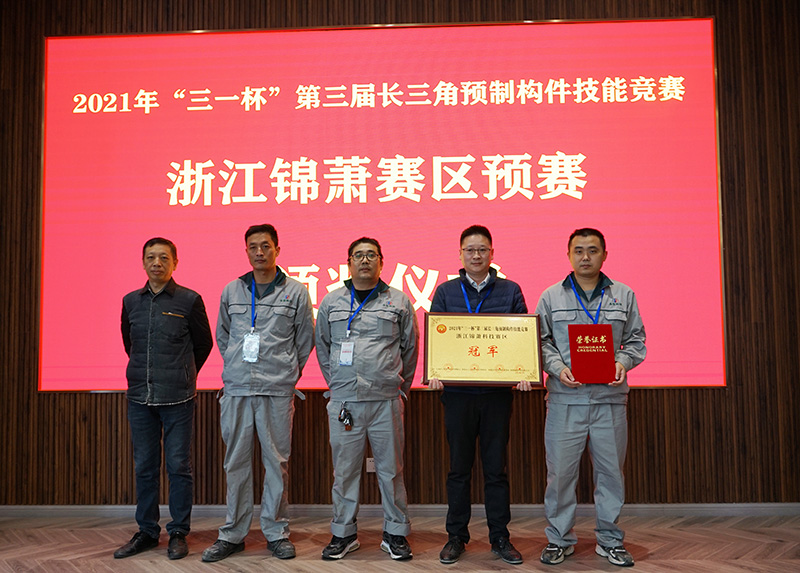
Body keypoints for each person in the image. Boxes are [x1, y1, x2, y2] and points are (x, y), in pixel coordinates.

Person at [202, 224, 315, 563]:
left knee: (276, 463)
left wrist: (286, 372)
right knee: (235, 462)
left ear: (277, 249)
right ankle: (233, 534)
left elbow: (304, 340)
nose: (259, 252)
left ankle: (276, 532)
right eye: (253, 247)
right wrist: (238, 365)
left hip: (276, 389)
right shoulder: (232, 290)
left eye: (265, 246)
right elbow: (223, 336)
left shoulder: (295, 291)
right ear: (247, 251)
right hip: (237, 388)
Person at [535, 228, 646, 567]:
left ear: (604, 255)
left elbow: (637, 340)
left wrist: (622, 362)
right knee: (560, 476)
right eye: (579, 250)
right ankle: (559, 539)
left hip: (609, 400)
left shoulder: (623, 295)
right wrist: (557, 369)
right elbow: (540, 342)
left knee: (611, 474)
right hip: (565, 400)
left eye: (593, 250)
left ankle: (610, 540)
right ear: (569, 255)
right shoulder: (551, 297)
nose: (586, 257)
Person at [424, 225, 530, 565]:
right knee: (459, 469)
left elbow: (522, 337)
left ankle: (500, 537)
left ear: (492, 253)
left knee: (496, 470)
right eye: (470, 250)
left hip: (497, 395)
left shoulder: (510, 290)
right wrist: (435, 372)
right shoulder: (446, 292)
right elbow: (438, 338)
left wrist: (525, 371)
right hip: (458, 395)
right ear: (460, 254)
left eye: (482, 249)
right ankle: (456, 536)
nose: (476, 255)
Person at [315, 237, 419, 561]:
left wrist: (399, 388)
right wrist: (339, 384)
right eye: (358, 255)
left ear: (381, 262)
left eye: (371, 255)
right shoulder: (331, 301)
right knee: (344, 472)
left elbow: (411, 349)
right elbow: (323, 347)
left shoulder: (399, 301)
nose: (364, 260)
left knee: (391, 471)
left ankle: (395, 533)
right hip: (345, 402)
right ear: (348, 262)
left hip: (386, 400)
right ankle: (343, 534)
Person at [115, 237, 213, 560]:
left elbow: (203, 345)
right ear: (143, 262)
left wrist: (182, 373)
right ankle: (146, 530)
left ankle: (179, 532)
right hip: (140, 397)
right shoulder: (131, 301)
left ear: (175, 263)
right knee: (144, 466)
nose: (157, 263)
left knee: (178, 467)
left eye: (163, 258)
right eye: (151, 257)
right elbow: (130, 343)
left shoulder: (189, 300)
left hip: (178, 399)